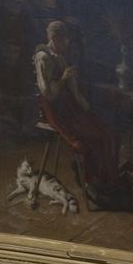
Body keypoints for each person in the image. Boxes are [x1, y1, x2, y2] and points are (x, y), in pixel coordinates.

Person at [33, 20, 118, 203]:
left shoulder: (60, 57)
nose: (67, 45)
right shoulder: (43, 57)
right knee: (88, 138)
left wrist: (85, 106)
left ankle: (105, 183)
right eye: (65, 41)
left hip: (69, 107)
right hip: (54, 109)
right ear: (55, 39)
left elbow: (73, 91)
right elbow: (48, 94)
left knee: (105, 131)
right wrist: (64, 79)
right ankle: (90, 183)